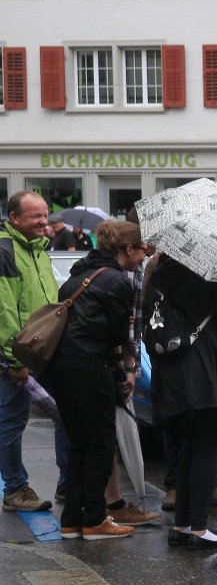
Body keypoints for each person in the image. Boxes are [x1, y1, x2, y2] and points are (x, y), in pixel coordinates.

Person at [41, 221, 146, 541]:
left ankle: (72, 521)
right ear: (129, 249)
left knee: (80, 443)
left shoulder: (78, 274)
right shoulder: (117, 281)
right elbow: (117, 335)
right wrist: (124, 374)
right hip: (90, 368)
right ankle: (96, 520)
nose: (144, 256)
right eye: (142, 250)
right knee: (101, 442)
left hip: (62, 369)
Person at [147, 255, 217, 548]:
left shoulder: (158, 274)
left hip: (171, 370)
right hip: (206, 369)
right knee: (206, 446)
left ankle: (181, 525)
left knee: (186, 447)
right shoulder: (211, 272)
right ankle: (200, 528)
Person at [0, 191, 70, 512]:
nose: (44, 221)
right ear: (14, 218)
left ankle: (68, 483)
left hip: (47, 350)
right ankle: (15, 490)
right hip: (19, 355)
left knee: (64, 414)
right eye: (36, 216)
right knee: (13, 421)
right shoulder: (5, 251)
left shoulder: (38, 248)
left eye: (45, 214)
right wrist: (16, 360)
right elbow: (4, 311)